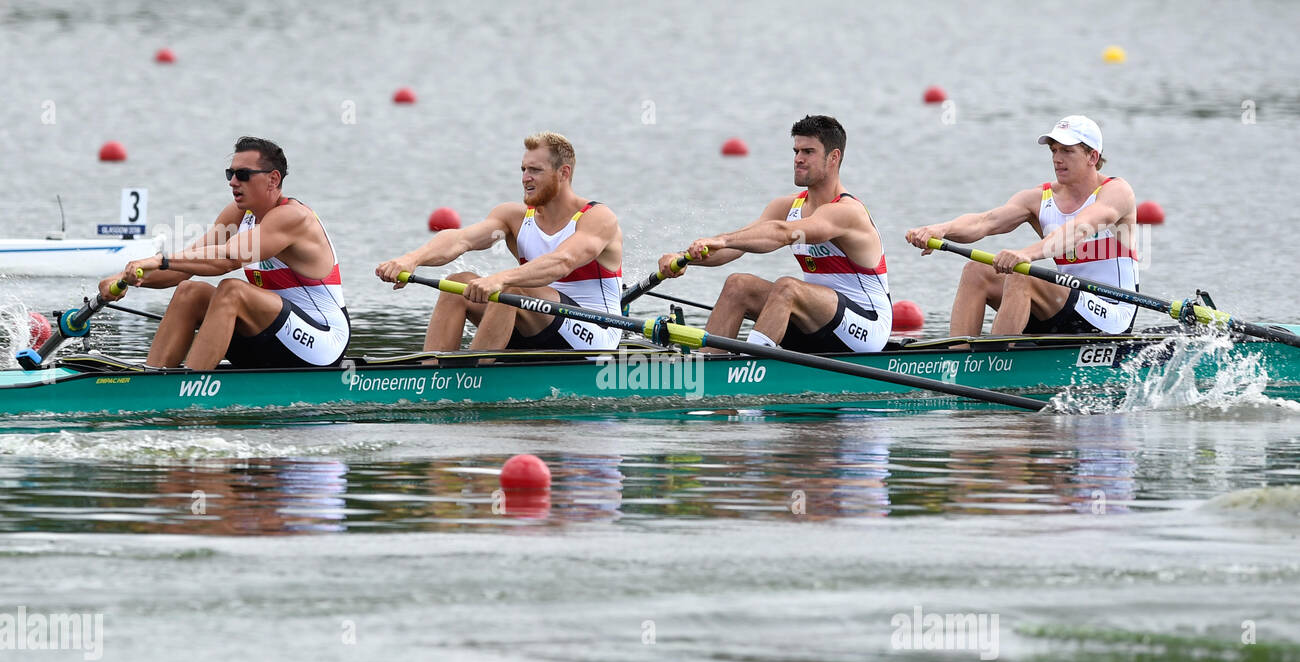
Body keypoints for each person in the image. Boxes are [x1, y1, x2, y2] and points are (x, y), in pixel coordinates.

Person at [101, 136, 349, 369]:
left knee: (232, 289)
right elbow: (179, 272)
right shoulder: (239, 213)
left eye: (243, 174)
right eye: (230, 174)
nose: (233, 182)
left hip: (323, 341)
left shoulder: (293, 217)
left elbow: (228, 260)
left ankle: (189, 388)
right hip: (275, 335)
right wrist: (125, 277)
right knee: (190, 291)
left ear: (273, 179)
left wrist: (159, 260)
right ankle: (152, 379)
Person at [658, 114, 891, 354]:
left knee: (788, 287)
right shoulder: (787, 206)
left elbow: (783, 234)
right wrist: (683, 257)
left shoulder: (847, 212)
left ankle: (749, 368)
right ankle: (707, 369)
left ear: (834, 157)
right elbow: (735, 247)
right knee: (738, 284)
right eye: (796, 151)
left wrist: (723, 238)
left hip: (867, 327)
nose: (798, 159)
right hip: (816, 321)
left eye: (808, 152)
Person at [375, 132, 623, 353]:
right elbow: (460, 240)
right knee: (456, 285)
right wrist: (412, 259)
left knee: (511, 289)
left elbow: (562, 262)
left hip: (595, 333)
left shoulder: (597, 218)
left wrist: (501, 279)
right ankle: (431, 378)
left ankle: (472, 380)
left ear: (563, 173)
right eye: (523, 169)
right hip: (535, 321)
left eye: (535, 170)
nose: (526, 178)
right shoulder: (513, 217)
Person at [905, 115, 1139, 339]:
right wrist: (941, 229)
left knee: (1022, 273)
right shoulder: (1040, 197)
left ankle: (994, 364)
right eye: (1054, 150)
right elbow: (984, 222)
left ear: (1092, 157)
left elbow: (1079, 229)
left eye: (1067, 151)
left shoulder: (1116, 192)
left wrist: (1025, 254)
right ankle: (955, 358)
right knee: (975, 271)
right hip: (1066, 306)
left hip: (1113, 313)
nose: (1057, 158)